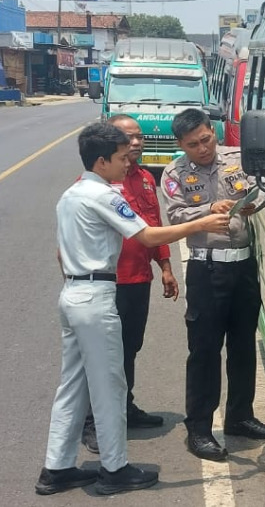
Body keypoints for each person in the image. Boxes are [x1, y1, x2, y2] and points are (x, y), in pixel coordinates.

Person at [37, 122, 230, 496]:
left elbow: (62, 254)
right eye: (123, 157)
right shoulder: (105, 195)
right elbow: (147, 235)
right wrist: (204, 222)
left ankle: (56, 468)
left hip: (73, 294)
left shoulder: (71, 194)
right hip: (95, 298)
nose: (129, 162)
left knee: (73, 387)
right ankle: (114, 468)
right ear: (101, 160)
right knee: (109, 387)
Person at [161, 108, 265, 463]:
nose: (203, 148)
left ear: (213, 131)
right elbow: (176, 215)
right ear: (181, 144)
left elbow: (261, 192)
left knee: (243, 345)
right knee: (205, 352)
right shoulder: (174, 173)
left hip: (242, 265)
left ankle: (239, 416)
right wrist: (210, 209)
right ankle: (199, 429)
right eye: (193, 144)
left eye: (207, 138)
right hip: (206, 270)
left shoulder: (235, 157)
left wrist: (249, 205)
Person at [79, 114, 179, 454]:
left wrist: (165, 265)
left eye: (139, 138)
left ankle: (125, 406)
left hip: (139, 279)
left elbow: (153, 223)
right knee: (104, 354)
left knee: (129, 348)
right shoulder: (96, 184)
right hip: (109, 284)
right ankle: (92, 421)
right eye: (127, 138)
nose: (135, 144)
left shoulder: (145, 180)